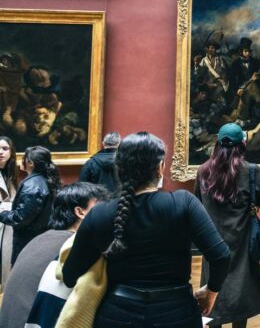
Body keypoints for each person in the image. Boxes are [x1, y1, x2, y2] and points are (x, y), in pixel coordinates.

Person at [62, 132, 231, 328]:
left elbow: (70, 276)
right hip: (178, 314)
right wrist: (211, 293)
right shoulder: (183, 203)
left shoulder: (98, 215)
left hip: (117, 316)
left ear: (119, 169)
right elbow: (221, 256)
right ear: (160, 167)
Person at [0, 182, 109, 328]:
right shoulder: (73, 245)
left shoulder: (41, 238)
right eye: (100, 208)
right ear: (80, 212)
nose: (104, 215)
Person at [195, 123, 260, 328]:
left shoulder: (203, 171)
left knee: (212, 287)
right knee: (241, 292)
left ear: (217, 144)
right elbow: (258, 199)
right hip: (241, 240)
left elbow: (198, 203)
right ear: (242, 145)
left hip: (213, 242)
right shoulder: (251, 171)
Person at [0, 145, 61, 264]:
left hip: (28, 240)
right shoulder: (44, 179)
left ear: (30, 163)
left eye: (24, 157)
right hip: (38, 237)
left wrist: (2, 213)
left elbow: (20, 218)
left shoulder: (33, 185)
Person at [0, 136, 19, 292]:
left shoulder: (10, 174)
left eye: (5, 149)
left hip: (6, 225)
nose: (0, 152)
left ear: (11, 152)